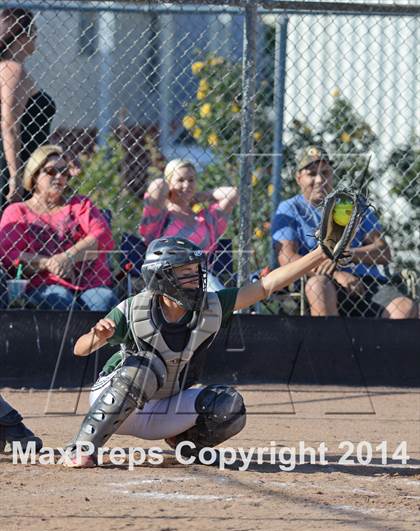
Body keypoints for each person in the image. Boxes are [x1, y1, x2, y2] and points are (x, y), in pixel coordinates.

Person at [65, 235, 332, 468]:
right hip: (114, 401)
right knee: (146, 368)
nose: (195, 279)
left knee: (228, 406)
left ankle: (185, 446)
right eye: (185, 272)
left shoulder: (211, 305)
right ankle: (83, 447)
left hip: (164, 407)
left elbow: (266, 286)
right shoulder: (134, 310)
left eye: (196, 271)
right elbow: (79, 350)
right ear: (161, 276)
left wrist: (321, 252)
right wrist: (97, 337)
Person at [271, 145, 417, 318]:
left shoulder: (352, 204)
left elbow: (383, 251)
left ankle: (378, 346)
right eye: (311, 174)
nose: (319, 180)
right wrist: (337, 273)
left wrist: (348, 254)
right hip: (322, 280)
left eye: (325, 173)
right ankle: (332, 345)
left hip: (367, 282)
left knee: (405, 308)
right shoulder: (290, 209)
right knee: (317, 286)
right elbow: (287, 258)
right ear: (298, 178)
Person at [0, 144, 118, 310]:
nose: (59, 176)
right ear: (34, 175)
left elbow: (102, 236)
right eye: (50, 171)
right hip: (45, 284)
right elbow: (8, 254)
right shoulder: (17, 211)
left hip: (90, 284)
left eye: (63, 171)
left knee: (105, 300)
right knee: (60, 299)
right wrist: (48, 263)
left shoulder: (80, 205)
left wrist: (67, 257)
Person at [139, 159, 239, 290]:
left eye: (191, 180)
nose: (187, 185)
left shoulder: (205, 220)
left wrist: (199, 196)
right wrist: (171, 192)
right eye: (180, 180)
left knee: (212, 289)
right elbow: (158, 186)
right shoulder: (160, 218)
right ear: (169, 184)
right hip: (166, 277)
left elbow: (233, 193)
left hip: (199, 279)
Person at [0, 9, 56, 207]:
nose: (36, 37)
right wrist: (15, 175)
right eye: (34, 32)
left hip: (26, 166)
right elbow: (9, 124)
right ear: (22, 36)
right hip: (14, 168)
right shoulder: (11, 69)